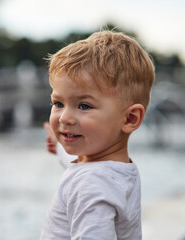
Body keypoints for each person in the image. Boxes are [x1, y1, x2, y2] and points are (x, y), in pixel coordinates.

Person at [40, 30, 155, 240]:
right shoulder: (114, 169)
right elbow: (82, 165)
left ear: (130, 119)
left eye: (84, 106)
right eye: (58, 103)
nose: (65, 118)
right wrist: (58, 146)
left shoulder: (90, 185)